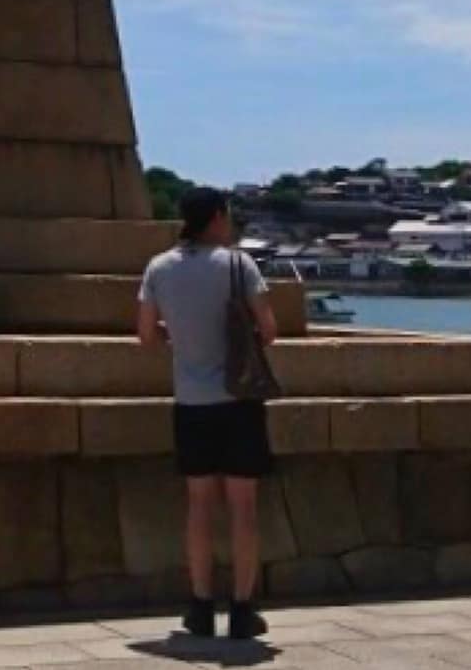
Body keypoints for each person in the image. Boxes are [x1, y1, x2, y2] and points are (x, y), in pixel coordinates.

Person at [137, 187, 277, 641]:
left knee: (199, 505)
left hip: (192, 401)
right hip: (238, 401)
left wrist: (179, 337)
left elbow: (146, 334)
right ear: (216, 217)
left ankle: (199, 606)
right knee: (243, 507)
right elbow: (269, 331)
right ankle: (242, 609)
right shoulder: (238, 264)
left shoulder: (159, 267)